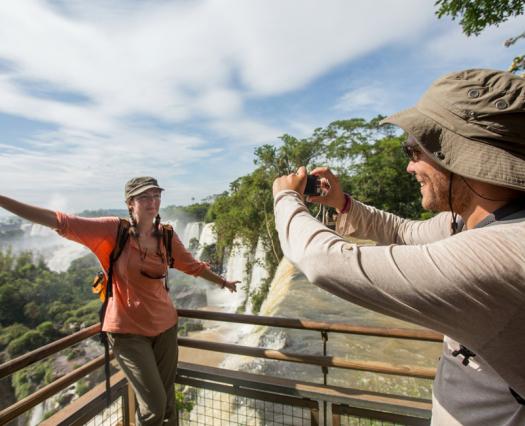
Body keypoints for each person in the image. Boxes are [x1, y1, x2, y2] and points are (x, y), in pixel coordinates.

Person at [272, 69, 525, 425]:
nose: (409, 166)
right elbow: (403, 232)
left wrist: (285, 198)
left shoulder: (504, 251)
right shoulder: (471, 223)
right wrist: (343, 204)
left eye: (414, 150)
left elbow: (325, 262)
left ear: (459, 154)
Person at [0, 176, 238, 426]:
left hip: (166, 328)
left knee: (167, 402)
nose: (152, 201)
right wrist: (3, 200)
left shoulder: (166, 235)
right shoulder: (114, 231)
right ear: (130, 203)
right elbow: (61, 221)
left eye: (156, 195)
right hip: (128, 333)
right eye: (144, 197)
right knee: (153, 407)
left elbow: (193, 266)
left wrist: (222, 282)